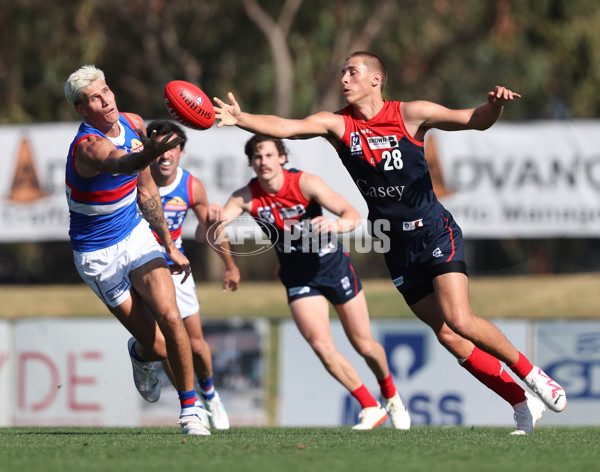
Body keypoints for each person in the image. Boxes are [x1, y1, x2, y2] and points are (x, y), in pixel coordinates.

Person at [213, 51, 567, 435]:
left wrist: (494, 106)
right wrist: (241, 119)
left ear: (375, 80)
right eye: (343, 73)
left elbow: (477, 120)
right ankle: (520, 403)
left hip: (434, 231)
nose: (344, 79)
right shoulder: (338, 125)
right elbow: (286, 127)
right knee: (448, 336)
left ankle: (533, 375)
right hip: (395, 246)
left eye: (353, 72)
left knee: (459, 319)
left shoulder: (410, 114)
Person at [215, 134, 411, 430]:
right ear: (251, 163)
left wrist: (333, 224)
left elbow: (352, 215)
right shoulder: (246, 196)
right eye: (257, 157)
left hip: (333, 266)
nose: (263, 162)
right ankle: (370, 406)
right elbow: (217, 226)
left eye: (269, 155)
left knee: (364, 344)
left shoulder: (305, 183)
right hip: (298, 275)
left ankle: (391, 395)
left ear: (282, 157)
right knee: (320, 344)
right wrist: (226, 254)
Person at [64, 65, 209, 435]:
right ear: (82, 109)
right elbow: (122, 164)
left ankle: (190, 412)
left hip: (136, 235)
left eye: (107, 90)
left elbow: (145, 191)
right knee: (159, 348)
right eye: (96, 98)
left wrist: (170, 244)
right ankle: (140, 354)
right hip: (98, 255)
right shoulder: (88, 146)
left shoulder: (133, 122)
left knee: (172, 316)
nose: (107, 100)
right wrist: (147, 152)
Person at [146, 119, 240, 430]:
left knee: (196, 345)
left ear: (181, 152)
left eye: (171, 146)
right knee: (163, 343)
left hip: (176, 269)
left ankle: (210, 395)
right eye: (158, 145)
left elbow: (208, 232)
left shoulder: (191, 186)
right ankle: (191, 403)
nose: (164, 153)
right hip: (142, 268)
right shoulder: (134, 179)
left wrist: (230, 266)